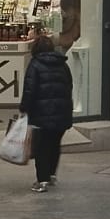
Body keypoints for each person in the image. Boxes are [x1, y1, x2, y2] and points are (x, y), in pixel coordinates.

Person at [19, 34, 73, 192]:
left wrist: (24, 107)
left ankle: (42, 180)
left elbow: (30, 89)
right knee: (55, 144)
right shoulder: (63, 64)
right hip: (61, 112)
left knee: (42, 146)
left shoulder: (35, 65)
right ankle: (51, 174)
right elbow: (69, 85)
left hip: (42, 113)